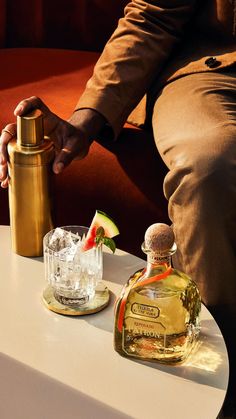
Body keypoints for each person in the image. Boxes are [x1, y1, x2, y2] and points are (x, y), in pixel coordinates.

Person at [0, 0, 236, 416]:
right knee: (207, 168)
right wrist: (85, 122)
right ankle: (223, 375)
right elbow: (154, 15)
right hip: (215, 68)